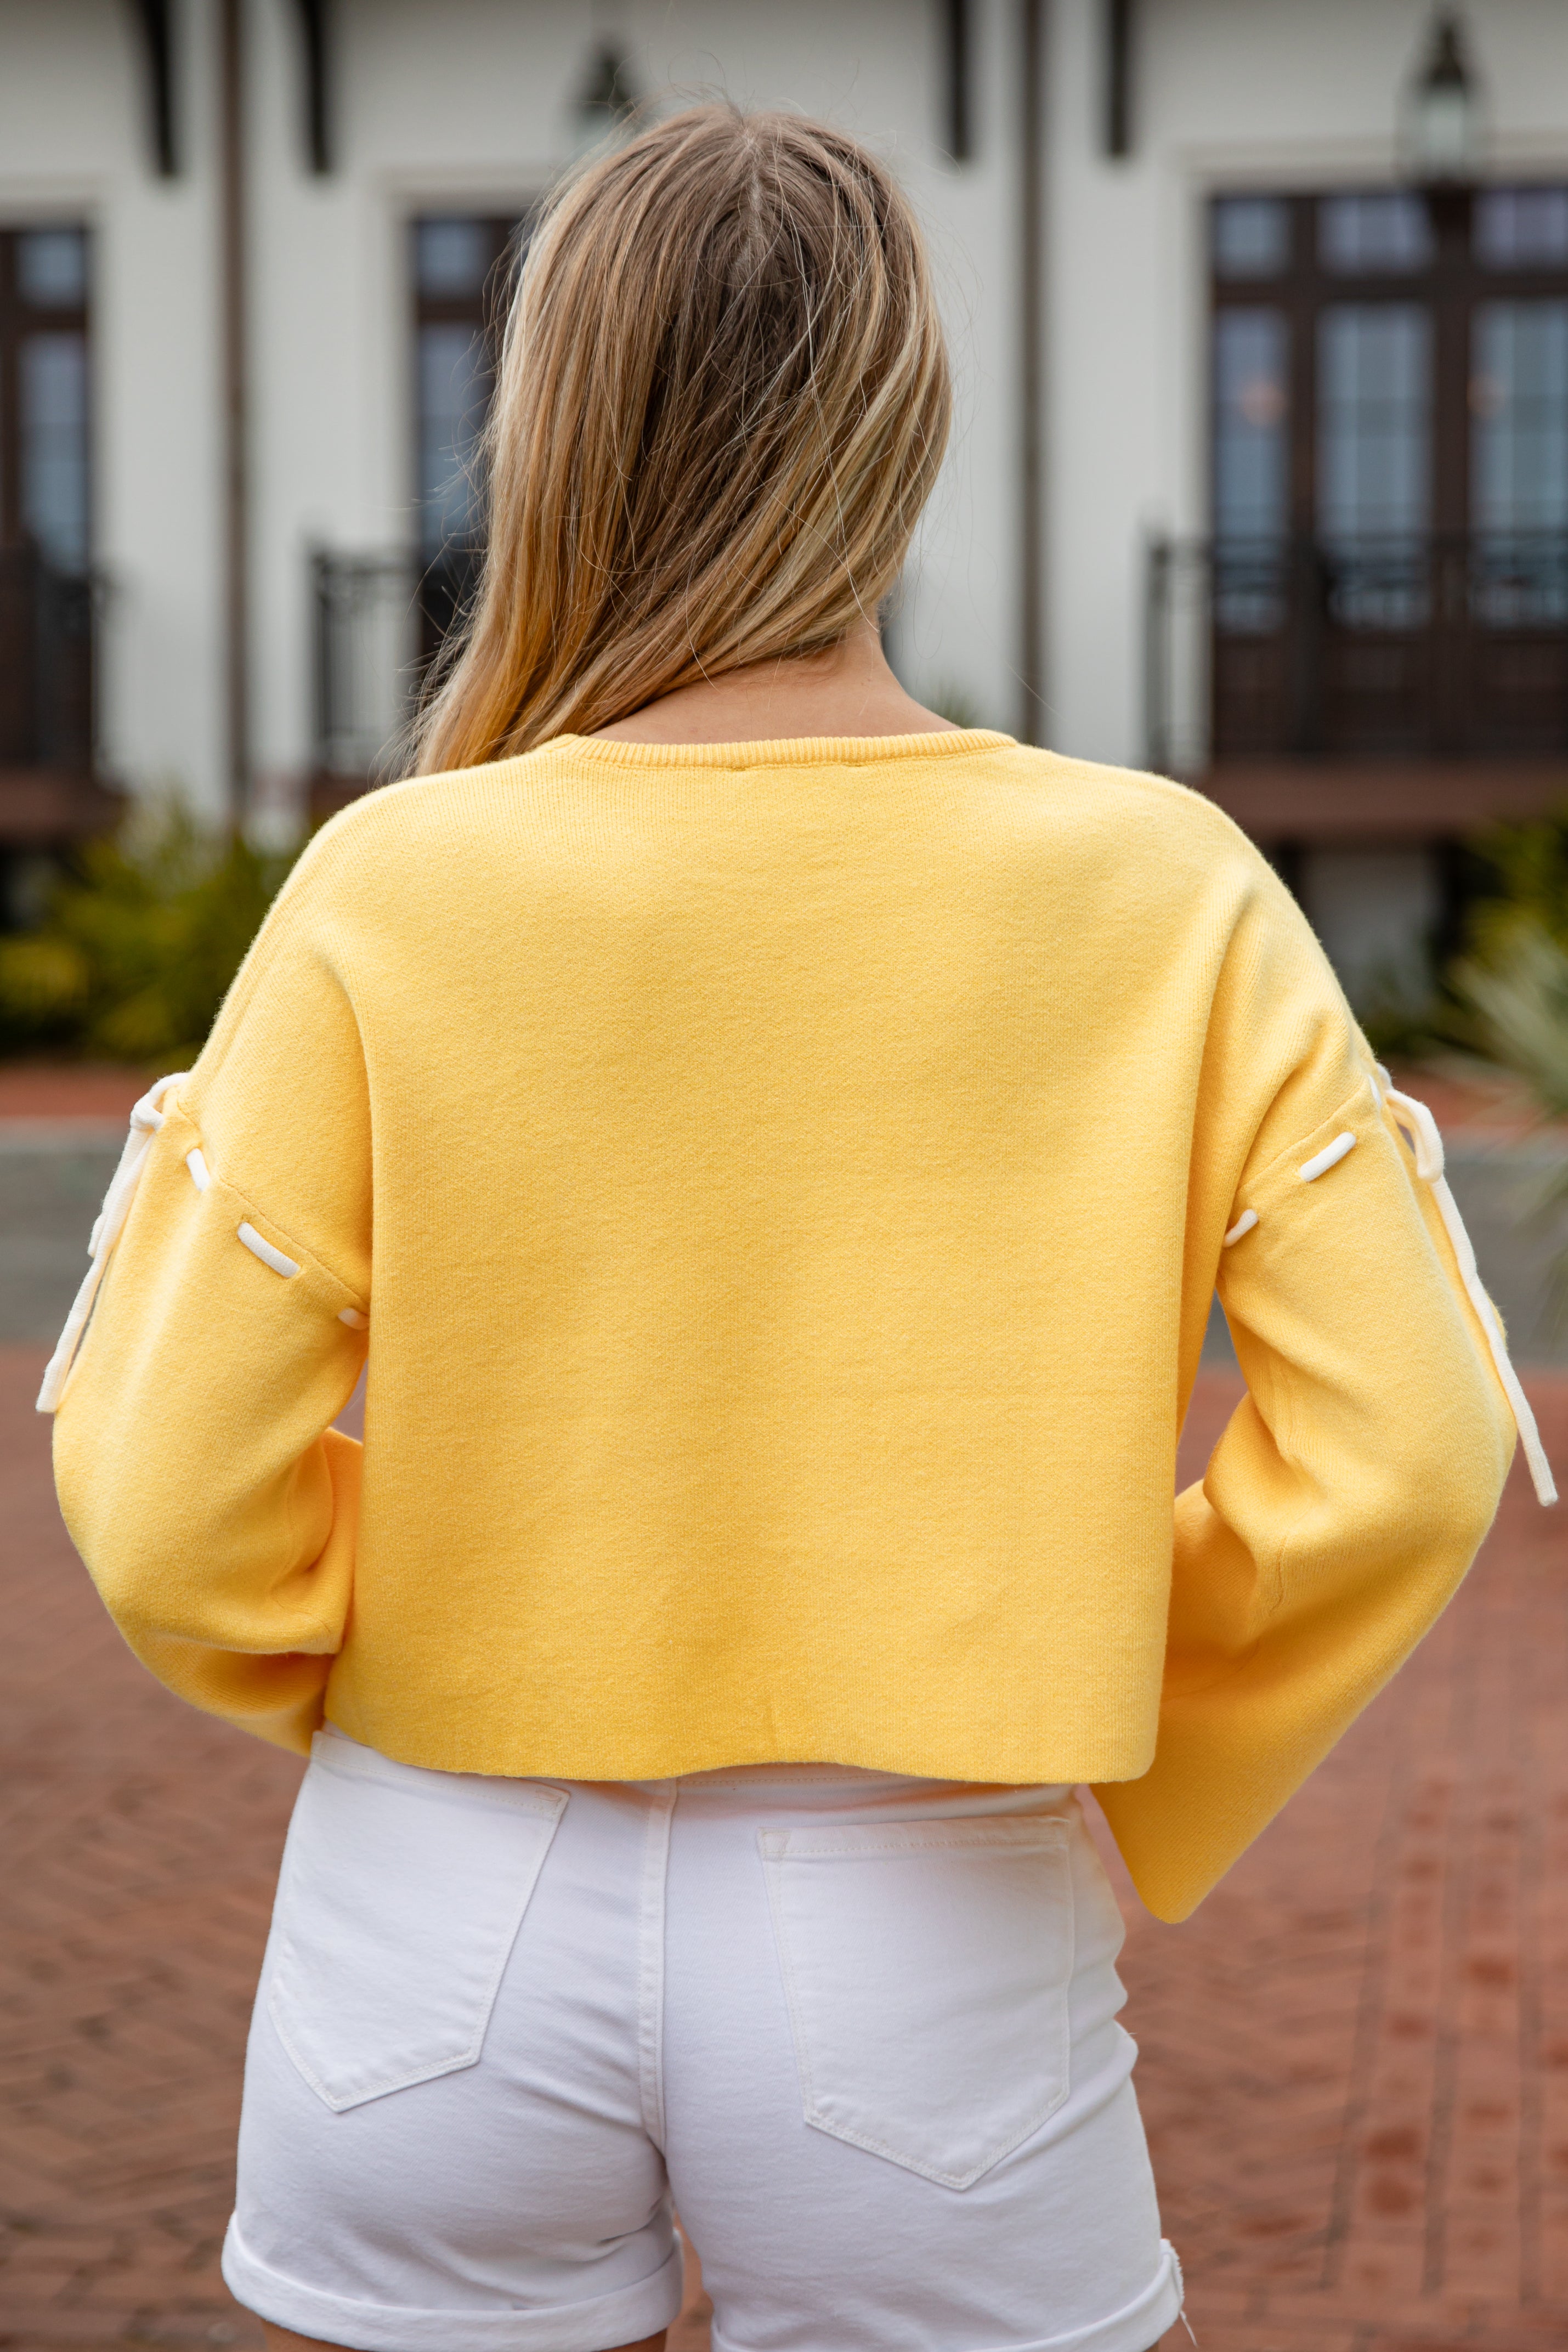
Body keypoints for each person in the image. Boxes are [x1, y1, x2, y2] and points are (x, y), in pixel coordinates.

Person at [44, 104, 1552, 2352]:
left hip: (437, 1903)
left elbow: (168, 1507)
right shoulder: (1160, 881)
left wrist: (465, 1601)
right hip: (928, 1898)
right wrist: (1042, 1624)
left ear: (548, 428)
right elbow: (1420, 1448)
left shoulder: (394, 881)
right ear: (903, 434)